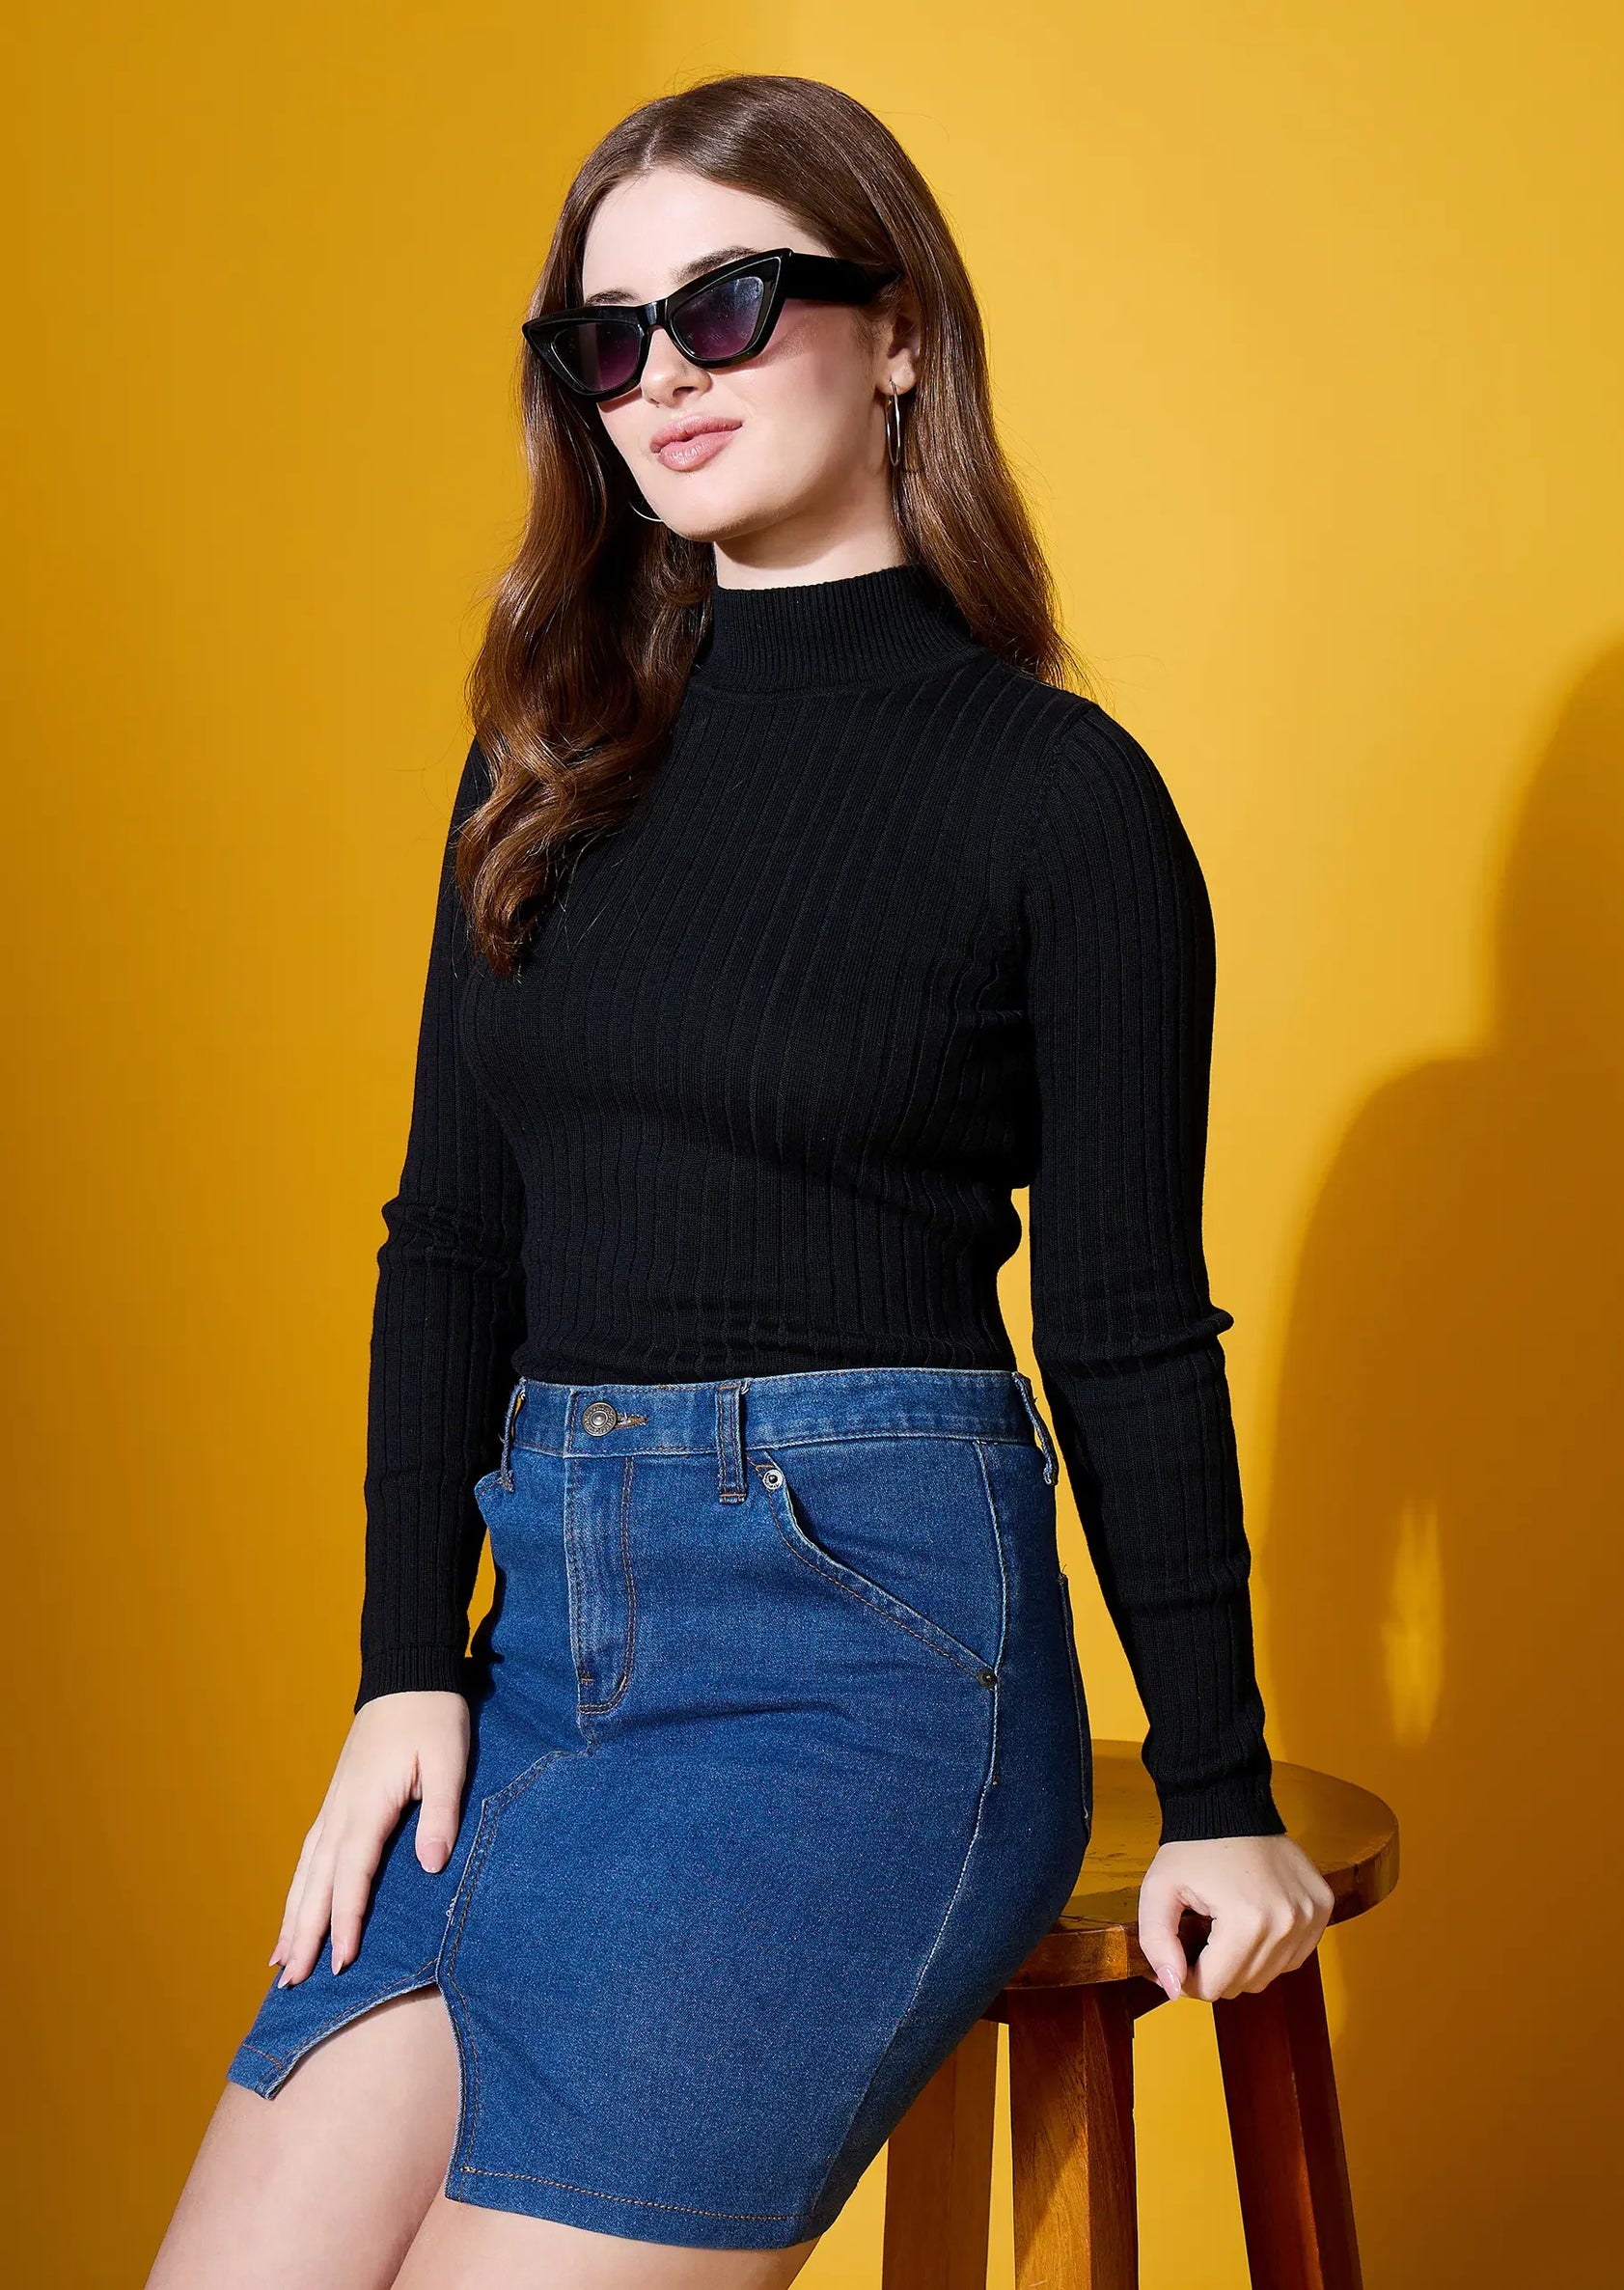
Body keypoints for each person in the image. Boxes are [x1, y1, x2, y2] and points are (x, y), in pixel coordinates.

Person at [149, 69, 1334, 2290]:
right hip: (536, 1661)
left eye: (725, 302)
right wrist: (407, 1662)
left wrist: (1216, 1785)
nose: (661, 377)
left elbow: (1123, 1318)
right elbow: (451, 1237)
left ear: (897, 329)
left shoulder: (1059, 799)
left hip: (856, 1663)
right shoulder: (543, 761)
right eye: (603, 342)